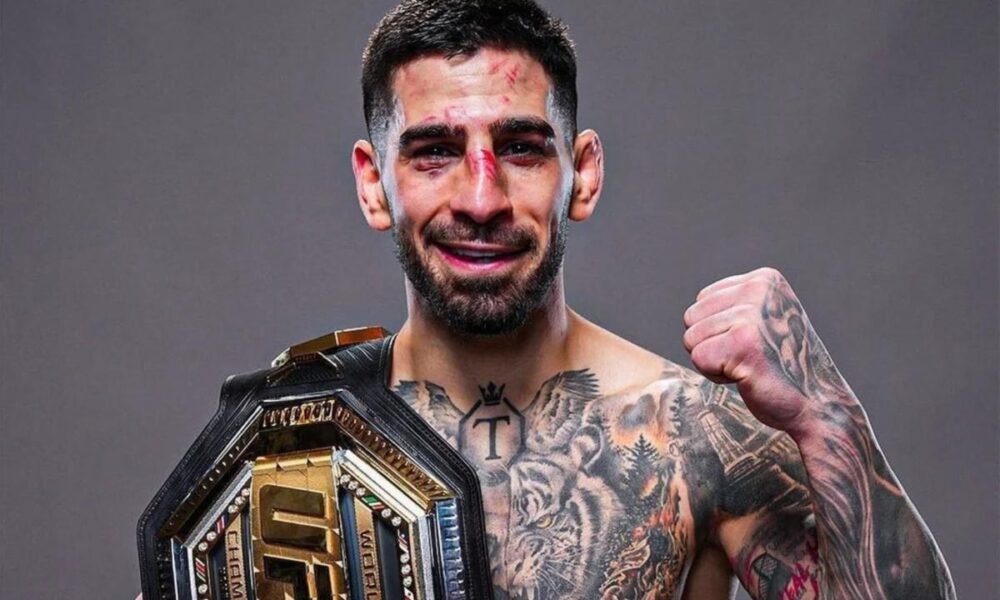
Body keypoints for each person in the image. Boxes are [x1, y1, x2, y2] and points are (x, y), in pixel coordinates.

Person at [348, 1, 955, 599]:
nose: (482, 201)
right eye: (434, 152)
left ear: (584, 175)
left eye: (521, 148)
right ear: (374, 185)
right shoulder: (305, 430)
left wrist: (826, 414)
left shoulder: (695, 435)